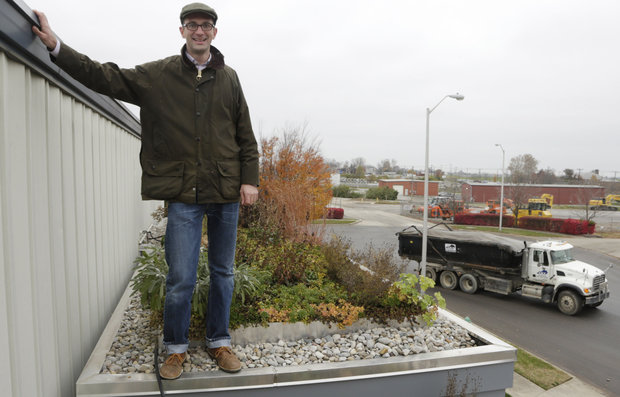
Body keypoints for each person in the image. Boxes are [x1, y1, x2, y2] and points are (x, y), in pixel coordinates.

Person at [33, 3, 259, 380]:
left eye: (206, 26)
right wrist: (57, 47)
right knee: (181, 277)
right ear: (182, 30)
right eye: (192, 25)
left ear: (214, 33)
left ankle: (219, 341)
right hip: (184, 194)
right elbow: (105, 77)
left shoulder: (230, 79)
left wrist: (249, 179)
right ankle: (175, 349)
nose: (199, 31)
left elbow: (245, 136)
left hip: (224, 192)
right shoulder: (158, 75)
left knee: (223, 272)